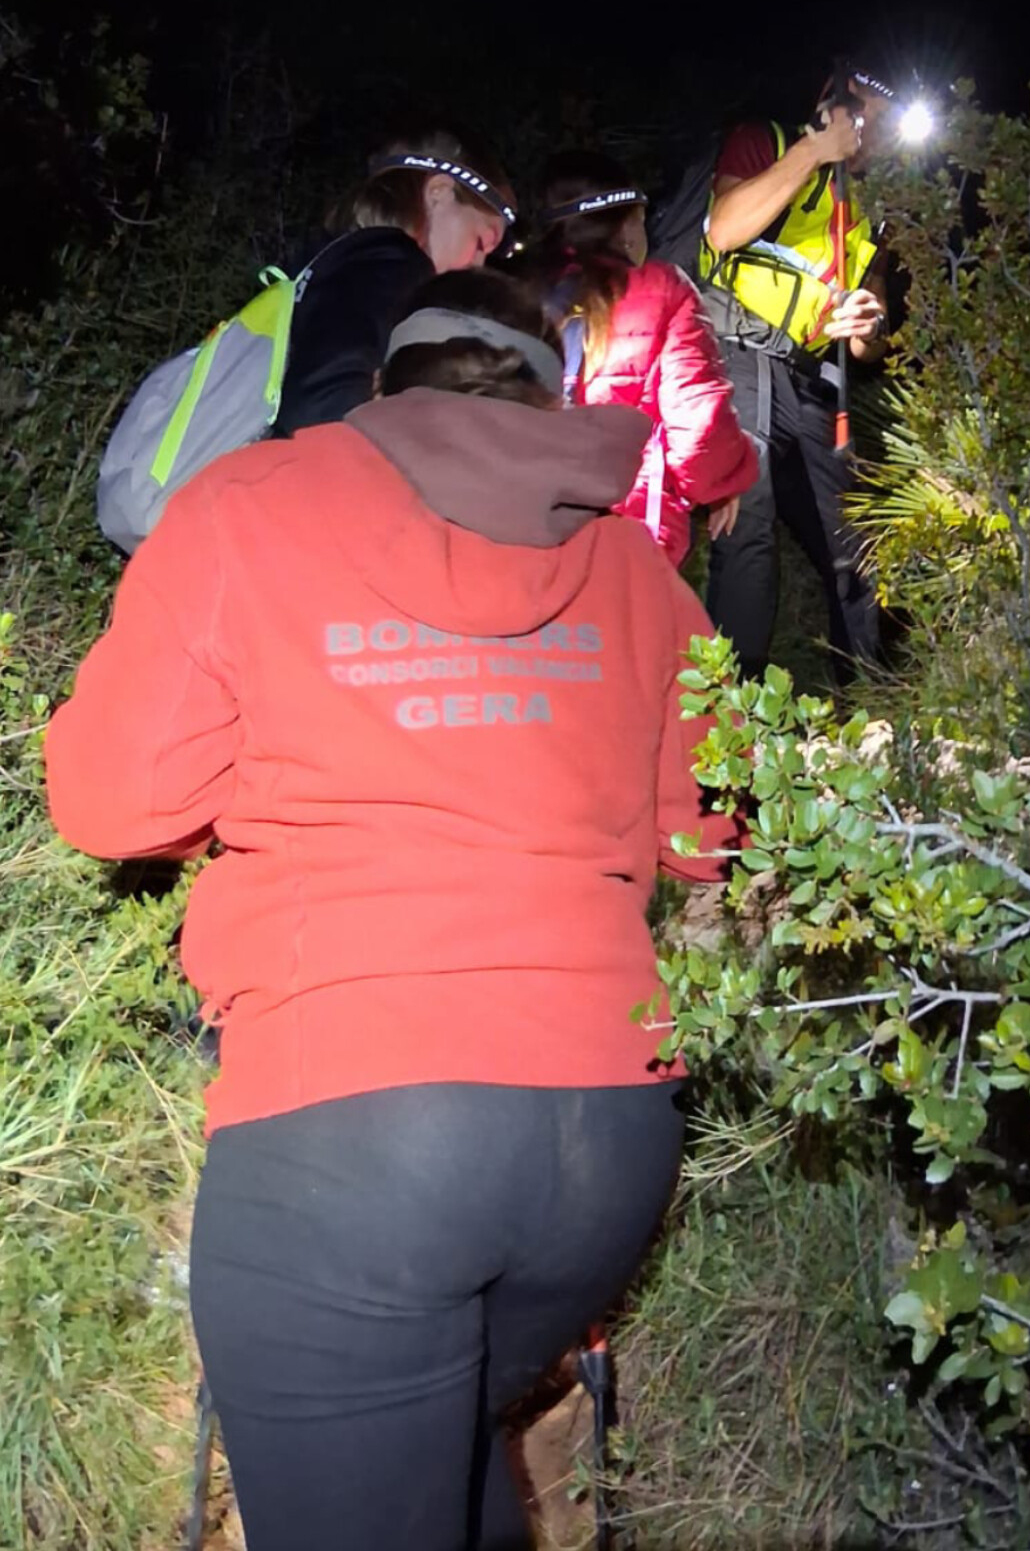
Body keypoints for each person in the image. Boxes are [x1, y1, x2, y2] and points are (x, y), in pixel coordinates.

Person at [46, 270, 737, 1551]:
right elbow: (707, 831)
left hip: (349, 1140)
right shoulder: (631, 564)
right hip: (608, 1138)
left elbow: (109, 802)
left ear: (380, 385)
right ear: (551, 397)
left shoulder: (247, 505)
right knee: (435, 1457)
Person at [697, 69, 894, 685]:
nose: (876, 138)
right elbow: (724, 229)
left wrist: (869, 321)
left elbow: (867, 346)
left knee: (854, 537)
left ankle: (871, 696)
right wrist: (814, 151)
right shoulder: (768, 142)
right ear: (834, 104)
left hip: (811, 380)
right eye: (870, 118)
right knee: (748, 519)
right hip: (739, 350)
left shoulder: (872, 212)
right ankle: (732, 707)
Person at [516, 149, 759, 570]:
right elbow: (697, 421)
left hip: (514, 522)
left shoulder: (507, 292)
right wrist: (724, 482)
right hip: (627, 533)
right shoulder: (660, 288)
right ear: (627, 227)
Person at [274, 131, 516, 435]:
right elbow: (320, 410)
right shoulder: (391, 262)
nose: (478, 264)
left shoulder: (333, 256)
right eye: (482, 241)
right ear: (439, 193)